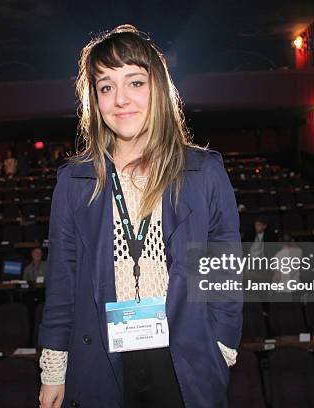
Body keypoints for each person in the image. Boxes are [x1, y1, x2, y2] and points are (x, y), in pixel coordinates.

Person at [39, 25, 242, 408]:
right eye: (105, 87)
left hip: (187, 355)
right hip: (100, 355)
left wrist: (222, 345)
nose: (120, 100)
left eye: (134, 82)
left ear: (158, 90)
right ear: (94, 101)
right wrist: (54, 368)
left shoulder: (204, 172)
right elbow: (62, 283)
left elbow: (224, 271)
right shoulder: (74, 181)